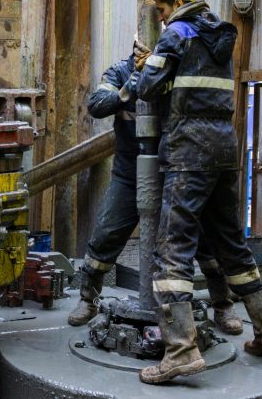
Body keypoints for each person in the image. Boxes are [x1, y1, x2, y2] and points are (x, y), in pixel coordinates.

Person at [135, 0, 262, 384]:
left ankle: (181, 351)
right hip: (225, 147)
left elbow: (149, 87)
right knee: (231, 244)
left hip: (189, 151)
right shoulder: (220, 35)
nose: (162, 16)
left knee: (172, 249)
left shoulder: (176, 34)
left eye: (163, 8)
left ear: (179, 1)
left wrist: (145, 65)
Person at [67, 46, 244, 338]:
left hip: (174, 172)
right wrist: (133, 85)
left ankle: (223, 305)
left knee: (204, 242)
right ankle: (88, 300)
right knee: (106, 233)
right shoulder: (120, 72)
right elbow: (97, 104)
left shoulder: (174, 72)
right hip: (129, 173)